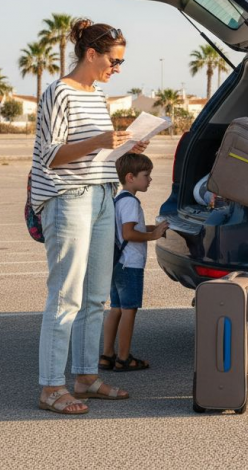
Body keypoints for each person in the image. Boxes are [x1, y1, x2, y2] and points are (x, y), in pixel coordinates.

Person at [32, 19, 149, 415]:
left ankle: (84, 378)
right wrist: (99, 140)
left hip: (102, 197)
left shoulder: (97, 96)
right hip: (68, 199)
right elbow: (52, 155)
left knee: (96, 296)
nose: (117, 69)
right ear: (92, 53)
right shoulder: (59, 92)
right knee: (65, 295)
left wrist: (127, 145)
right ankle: (51, 387)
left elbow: (97, 155)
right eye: (114, 61)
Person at [99, 153, 168, 373]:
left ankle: (107, 355)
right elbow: (129, 233)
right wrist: (154, 236)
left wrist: (151, 228)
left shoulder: (120, 199)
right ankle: (123, 357)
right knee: (130, 310)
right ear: (131, 177)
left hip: (118, 263)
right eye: (146, 175)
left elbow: (127, 229)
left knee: (116, 308)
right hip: (130, 264)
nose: (150, 180)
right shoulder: (130, 201)